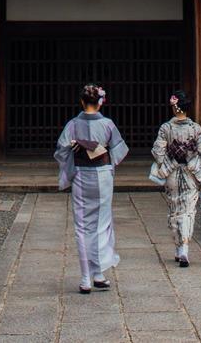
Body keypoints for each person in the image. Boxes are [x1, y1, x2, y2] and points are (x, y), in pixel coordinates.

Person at [55, 82, 129, 294]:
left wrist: (76, 149)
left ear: (81, 101)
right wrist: (102, 152)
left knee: (81, 225)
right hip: (103, 174)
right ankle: (98, 272)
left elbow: (61, 149)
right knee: (102, 222)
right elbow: (119, 150)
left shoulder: (72, 125)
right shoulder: (107, 124)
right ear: (100, 103)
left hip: (80, 174)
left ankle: (87, 276)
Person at [150, 89, 201, 267]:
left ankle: (179, 247)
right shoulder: (196, 129)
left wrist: (167, 161)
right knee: (188, 210)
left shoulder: (166, 128)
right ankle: (184, 247)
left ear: (174, 108)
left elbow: (157, 151)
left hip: (172, 173)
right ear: (187, 107)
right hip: (191, 173)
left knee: (175, 209)